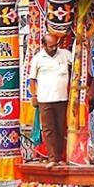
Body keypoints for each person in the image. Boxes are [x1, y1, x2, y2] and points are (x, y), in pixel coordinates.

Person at [30, 32, 73, 165]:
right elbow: (32, 79)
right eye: (51, 46)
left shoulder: (65, 54)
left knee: (61, 128)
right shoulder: (37, 58)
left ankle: (60, 158)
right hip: (45, 99)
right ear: (44, 45)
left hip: (62, 98)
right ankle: (52, 158)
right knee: (49, 130)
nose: (54, 48)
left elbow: (76, 68)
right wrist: (34, 95)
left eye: (56, 45)